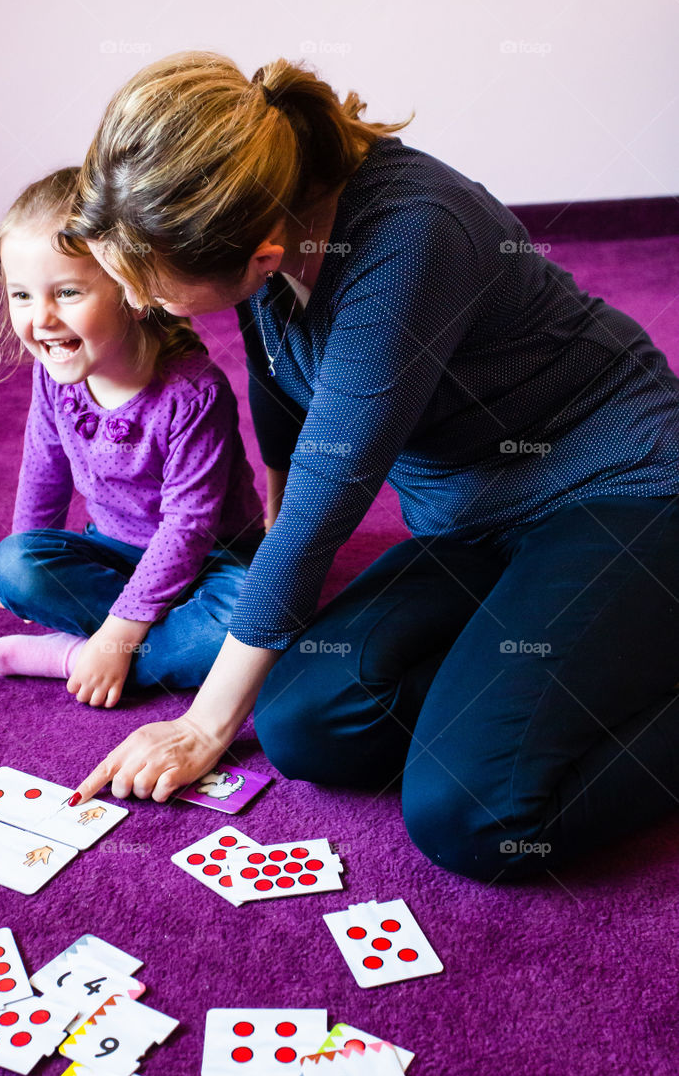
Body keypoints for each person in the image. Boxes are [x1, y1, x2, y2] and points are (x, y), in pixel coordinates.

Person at [63, 52, 679, 879]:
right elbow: (279, 400)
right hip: (471, 521)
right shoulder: (265, 216)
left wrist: (204, 727)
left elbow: (327, 496)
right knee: (306, 723)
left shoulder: (411, 235)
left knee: (475, 814)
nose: (136, 302)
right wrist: (263, 559)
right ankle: (583, 670)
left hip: (621, 488)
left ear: (261, 250)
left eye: (149, 285)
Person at [0, 166, 264, 708]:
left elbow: (188, 528)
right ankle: (131, 642)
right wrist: (24, 580)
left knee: (250, 620)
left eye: (67, 292)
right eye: (21, 295)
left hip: (212, 560)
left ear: (131, 287)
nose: (42, 318)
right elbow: (45, 466)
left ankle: (73, 655)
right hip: (116, 549)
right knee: (14, 563)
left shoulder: (194, 393)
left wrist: (117, 635)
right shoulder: (54, 377)